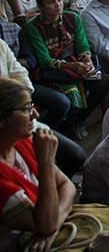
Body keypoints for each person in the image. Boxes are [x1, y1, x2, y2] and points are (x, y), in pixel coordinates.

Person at [23, 0, 109, 139]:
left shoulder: (72, 18)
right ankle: (67, 127)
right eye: (51, 2)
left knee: (102, 83)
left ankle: (78, 120)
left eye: (59, 0)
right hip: (54, 71)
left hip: (77, 64)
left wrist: (87, 61)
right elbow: (44, 59)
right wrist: (72, 66)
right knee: (73, 94)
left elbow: (83, 44)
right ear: (41, 6)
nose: (58, 5)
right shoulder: (33, 27)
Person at [0, 77, 76, 252]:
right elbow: (46, 223)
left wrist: (50, 230)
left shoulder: (21, 141)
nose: (35, 115)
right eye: (27, 109)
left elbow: (68, 186)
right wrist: (46, 163)